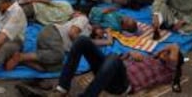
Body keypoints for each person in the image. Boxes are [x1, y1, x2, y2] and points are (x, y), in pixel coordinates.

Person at [43, 36, 183, 97]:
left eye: (167, 52)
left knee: (113, 58)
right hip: (108, 73)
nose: (165, 51)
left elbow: (175, 46)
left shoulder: (168, 71)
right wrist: (130, 54)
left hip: (122, 85)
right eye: (165, 50)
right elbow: (119, 61)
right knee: (82, 41)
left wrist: (161, 52)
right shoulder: (148, 57)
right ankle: (62, 89)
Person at [5, 14, 92, 72]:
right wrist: (80, 44)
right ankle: (22, 57)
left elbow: (94, 44)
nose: (102, 33)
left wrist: (106, 41)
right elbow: (72, 33)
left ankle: (25, 61)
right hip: (53, 33)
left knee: (56, 67)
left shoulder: (88, 35)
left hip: (51, 49)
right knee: (59, 55)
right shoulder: (84, 19)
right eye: (103, 30)